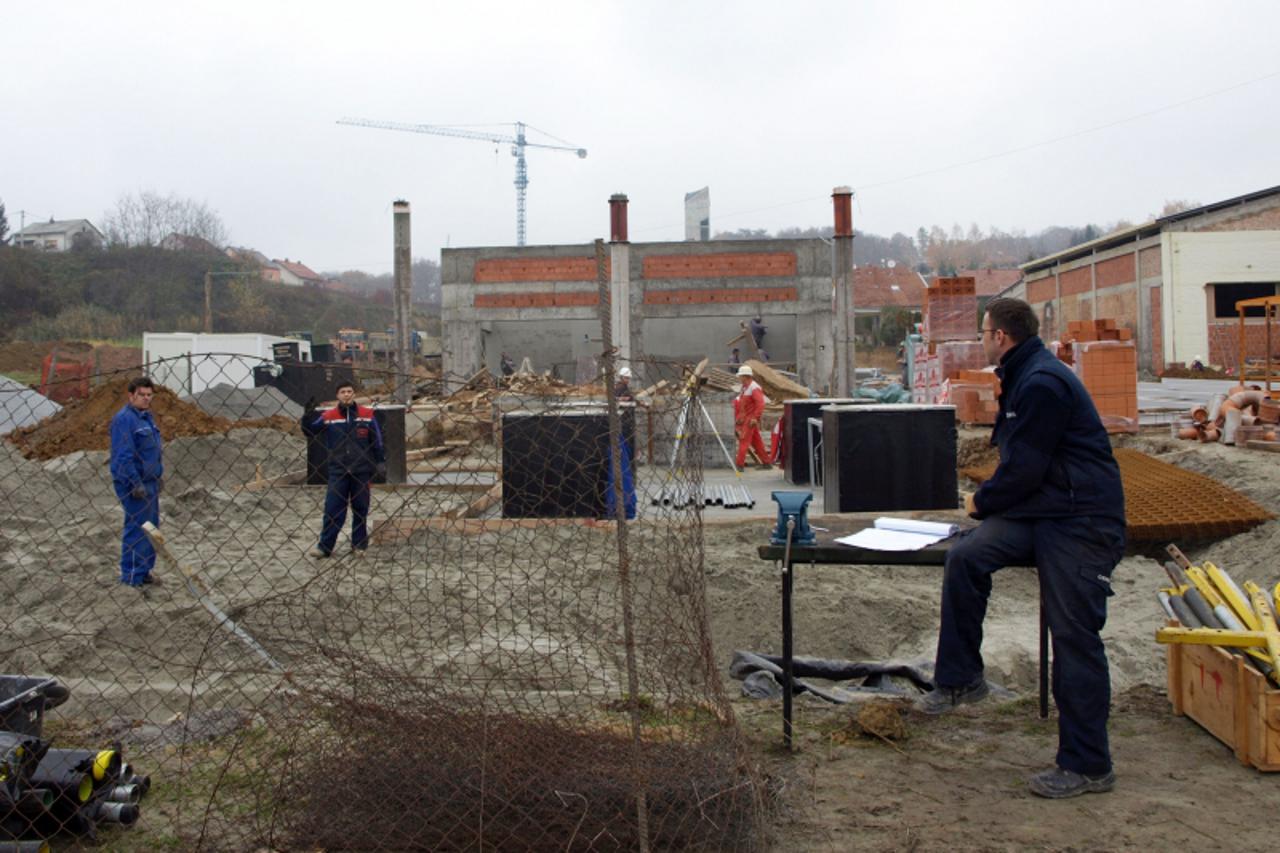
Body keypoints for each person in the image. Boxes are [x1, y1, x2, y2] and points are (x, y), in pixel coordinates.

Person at [917, 297, 1125, 800]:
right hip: (1046, 507)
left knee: (1072, 635)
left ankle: (1088, 764)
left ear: (1001, 337)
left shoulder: (1042, 383)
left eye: (985, 331)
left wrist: (980, 502)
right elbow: (1026, 466)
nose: (983, 339)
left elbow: (1025, 469)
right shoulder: (1024, 372)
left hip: (1081, 519)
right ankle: (961, 679)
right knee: (967, 557)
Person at [302, 382, 386, 557]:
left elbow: (377, 440)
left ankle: (359, 546)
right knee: (333, 509)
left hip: (361, 471)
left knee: (360, 509)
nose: (346, 394)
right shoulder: (329, 416)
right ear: (337, 396)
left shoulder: (367, 415)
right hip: (338, 471)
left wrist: (380, 462)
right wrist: (307, 415)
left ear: (354, 394)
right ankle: (324, 547)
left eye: (349, 391)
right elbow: (310, 431)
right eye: (343, 392)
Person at [109, 377, 164, 587]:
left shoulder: (147, 418)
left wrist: (158, 476)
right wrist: (134, 483)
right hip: (134, 483)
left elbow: (153, 451)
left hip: (149, 481)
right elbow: (123, 456)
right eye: (142, 395)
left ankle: (144, 571)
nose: (146, 398)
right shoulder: (125, 420)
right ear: (131, 395)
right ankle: (131, 576)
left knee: (151, 528)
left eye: (150, 395)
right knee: (137, 527)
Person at [733, 365, 769, 469]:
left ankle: (739, 465)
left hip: (750, 419)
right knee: (756, 442)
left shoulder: (754, 387)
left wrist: (755, 418)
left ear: (746, 376)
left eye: (740, 376)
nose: (739, 378)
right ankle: (766, 462)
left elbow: (761, 404)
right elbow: (742, 404)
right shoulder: (745, 387)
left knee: (743, 441)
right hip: (746, 418)